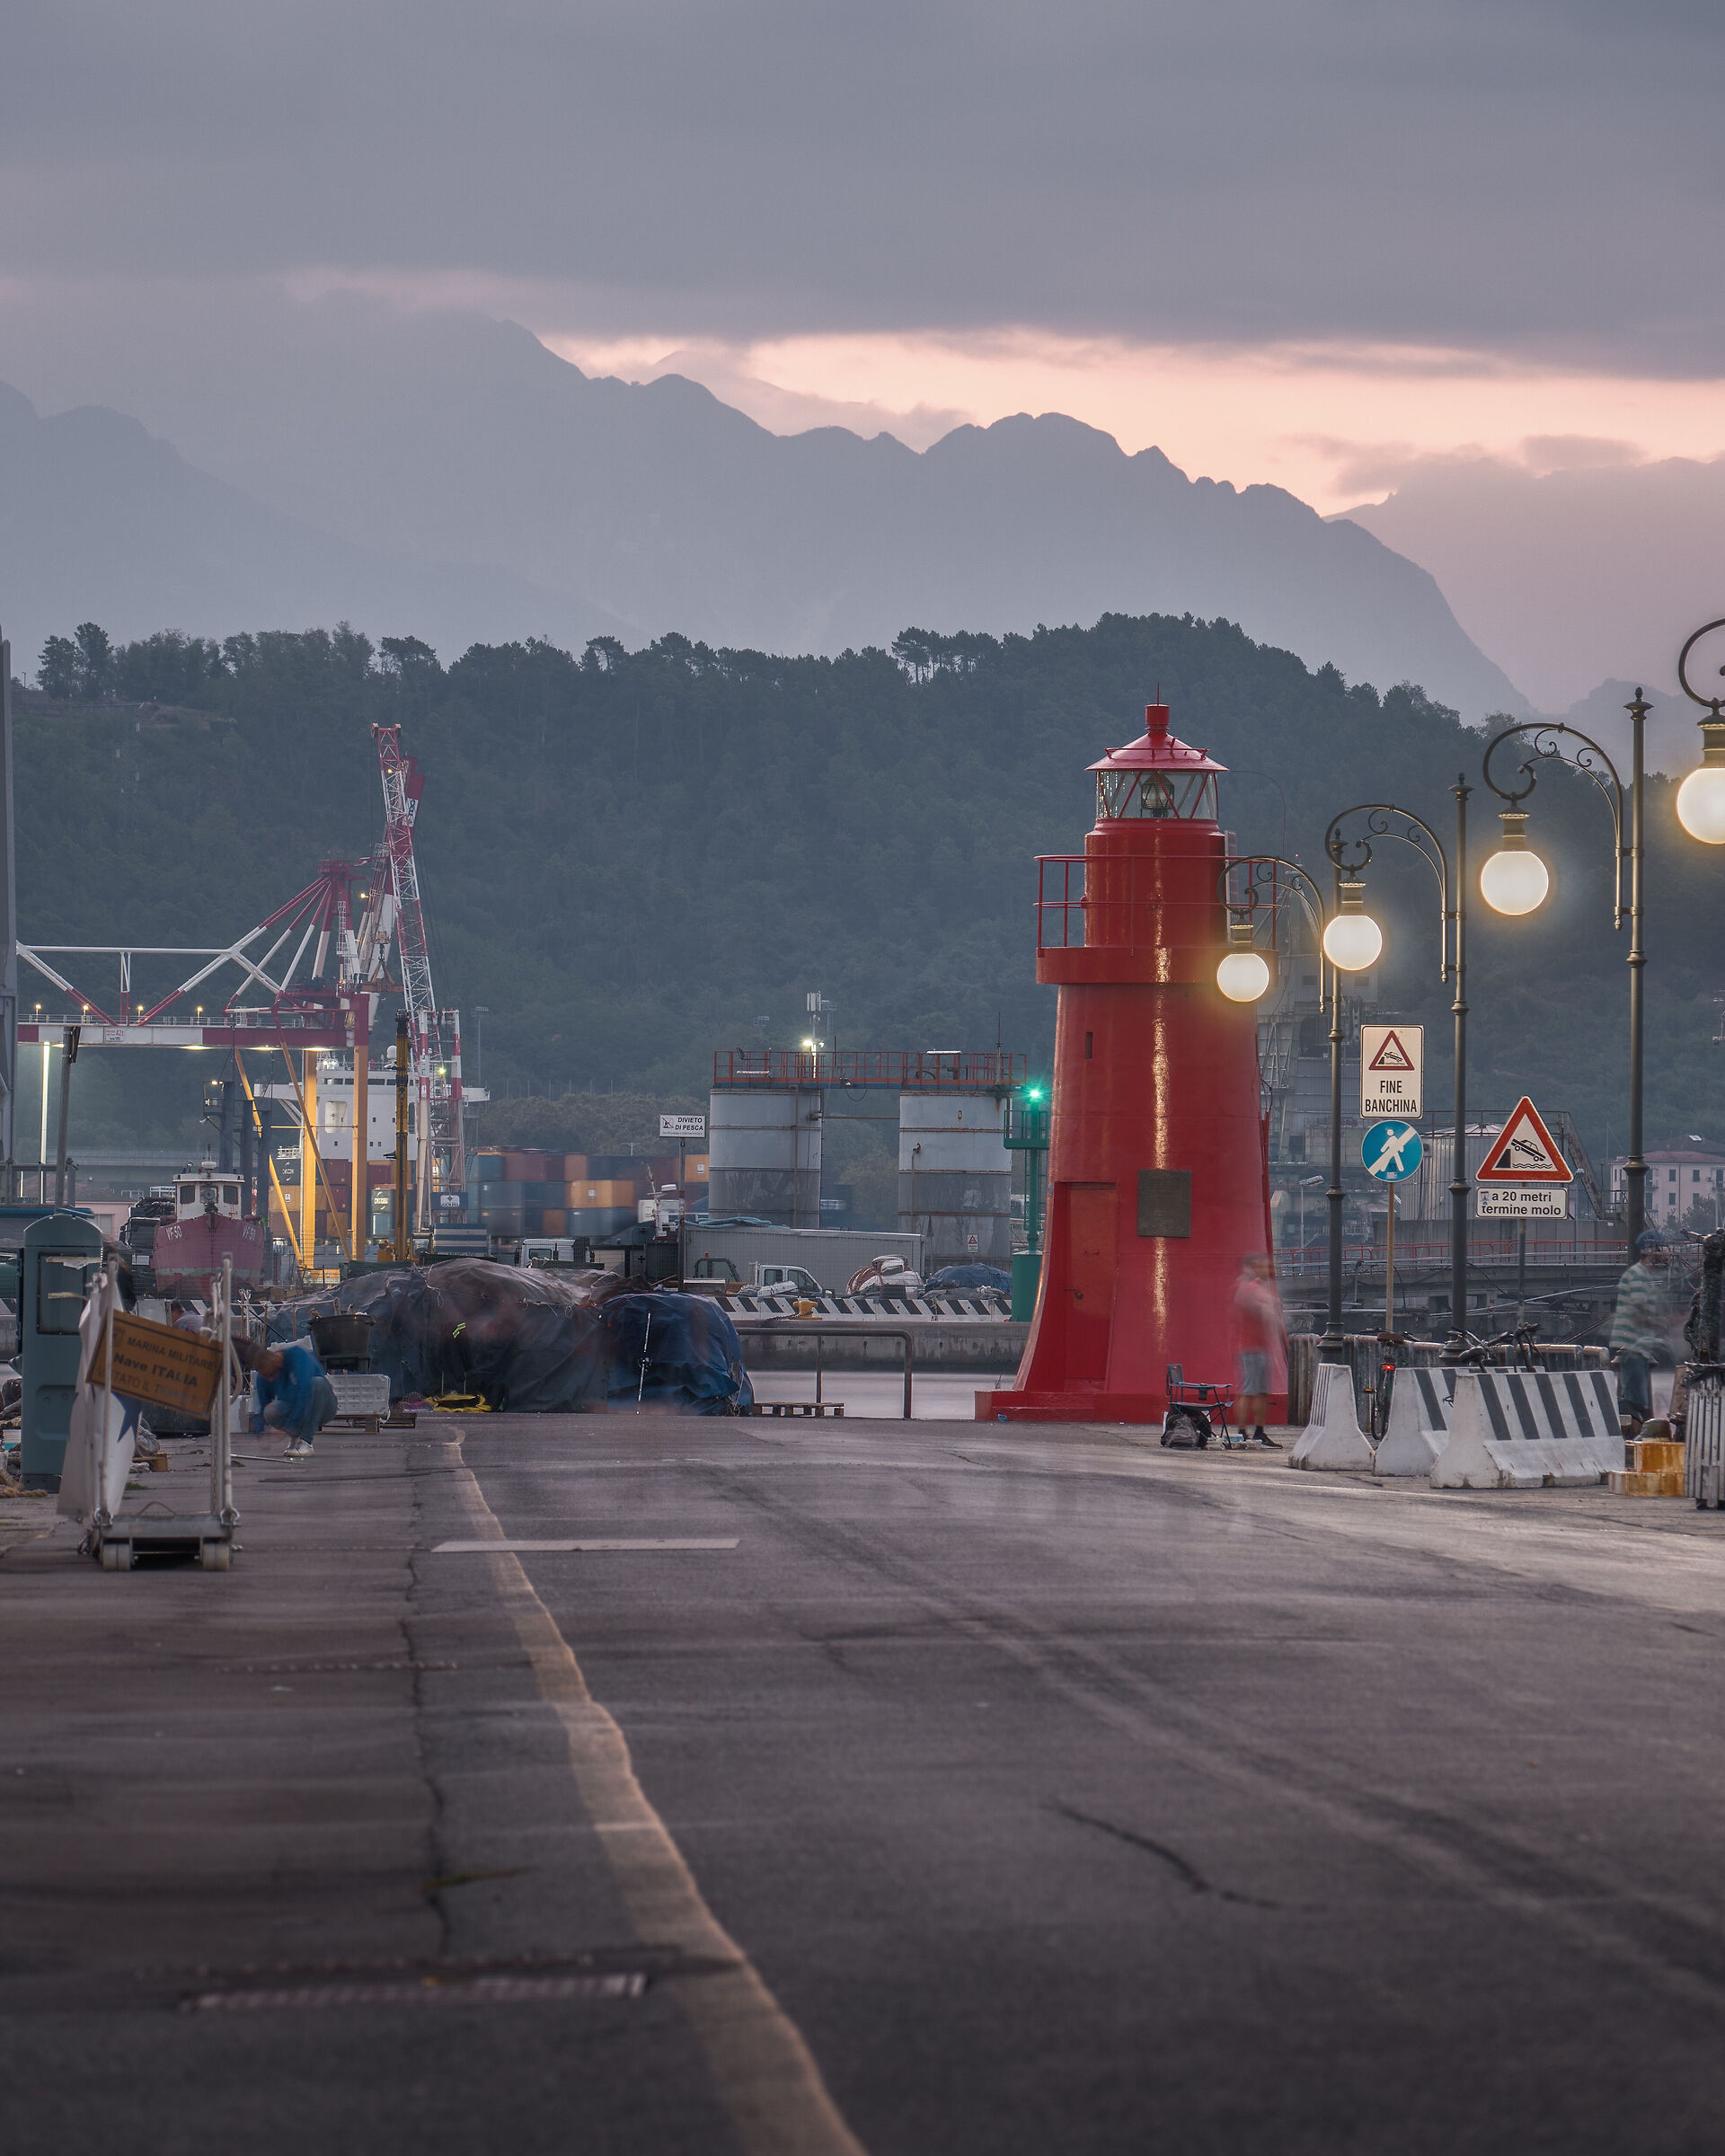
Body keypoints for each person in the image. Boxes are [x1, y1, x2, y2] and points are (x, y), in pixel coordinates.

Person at [234, 1333, 338, 1459]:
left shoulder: (297, 1356)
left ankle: (306, 1442)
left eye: (271, 1374)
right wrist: (261, 1434)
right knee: (270, 1411)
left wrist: (290, 1425)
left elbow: (304, 1392)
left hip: (324, 1407)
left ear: (276, 1361)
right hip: (296, 1408)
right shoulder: (264, 1375)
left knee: (317, 1383)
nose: (270, 1379)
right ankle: (295, 1439)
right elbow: (261, 1406)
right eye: (266, 1376)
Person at [1610, 1230, 1672, 1437]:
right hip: (1633, 1347)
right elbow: (1637, 1313)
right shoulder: (1637, 1276)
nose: (1666, 1254)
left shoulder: (1644, 1276)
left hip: (1639, 1348)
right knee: (1634, 1402)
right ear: (1650, 1251)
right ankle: (1633, 1445)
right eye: (1661, 1249)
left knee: (1638, 1399)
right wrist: (1660, 1323)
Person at [1233, 1253, 1287, 1448]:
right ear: (1256, 1269)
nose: (1269, 1270)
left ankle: (1259, 1431)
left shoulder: (1262, 1290)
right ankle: (1241, 1432)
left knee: (1261, 1391)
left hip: (1261, 1347)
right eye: (1264, 1267)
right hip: (1250, 1347)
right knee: (1248, 1390)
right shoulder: (1252, 1290)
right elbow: (1258, 1311)